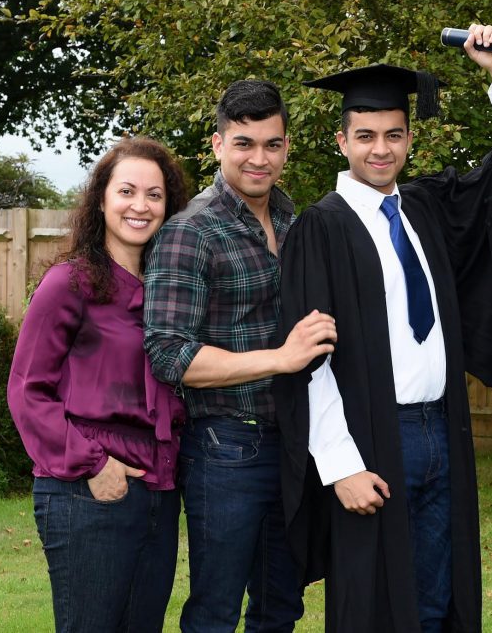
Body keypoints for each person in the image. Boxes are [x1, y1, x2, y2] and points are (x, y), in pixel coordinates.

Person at [274, 24, 492, 632]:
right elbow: (310, 360)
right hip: (372, 436)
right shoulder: (321, 228)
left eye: (394, 135)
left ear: (409, 138)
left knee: (436, 601)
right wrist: (340, 464)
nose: (381, 150)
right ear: (341, 140)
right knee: (374, 603)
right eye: (366, 136)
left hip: (442, 431)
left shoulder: (425, 207)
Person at [143, 80, 337, 632]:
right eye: (244, 143)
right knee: (216, 611)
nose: (259, 158)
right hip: (226, 447)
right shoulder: (191, 231)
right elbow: (168, 354)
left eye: (272, 144)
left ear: (287, 146)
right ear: (217, 144)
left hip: (294, 442)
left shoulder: (293, 221)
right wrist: (280, 358)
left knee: (281, 606)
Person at [7, 136, 190, 632]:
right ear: (102, 199)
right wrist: (94, 465)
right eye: (127, 191)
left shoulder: (170, 291)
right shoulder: (70, 282)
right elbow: (26, 390)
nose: (140, 206)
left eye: (154, 195)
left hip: (159, 490)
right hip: (86, 490)